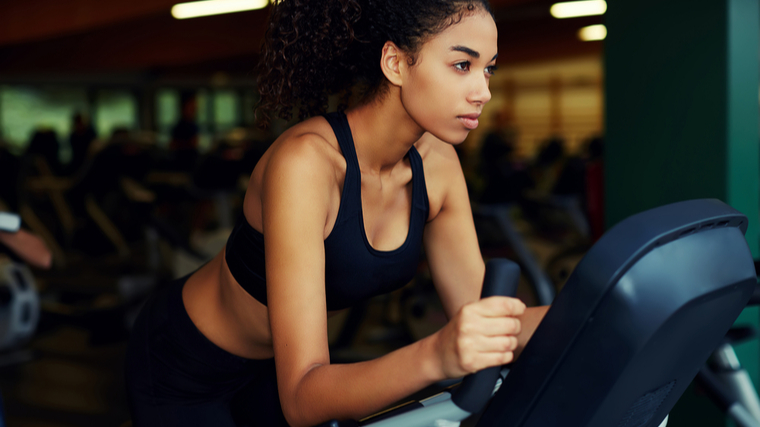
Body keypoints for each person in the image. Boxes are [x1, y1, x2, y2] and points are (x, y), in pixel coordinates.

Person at [125, 1, 549, 426]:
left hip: (274, 368)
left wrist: (592, 305)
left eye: (489, 69)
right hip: (186, 363)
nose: (484, 92)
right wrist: (436, 354)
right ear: (396, 62)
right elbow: (302, 398)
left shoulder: (438, 165)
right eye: (462, 65)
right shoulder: (308, 164)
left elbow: (483, 316)